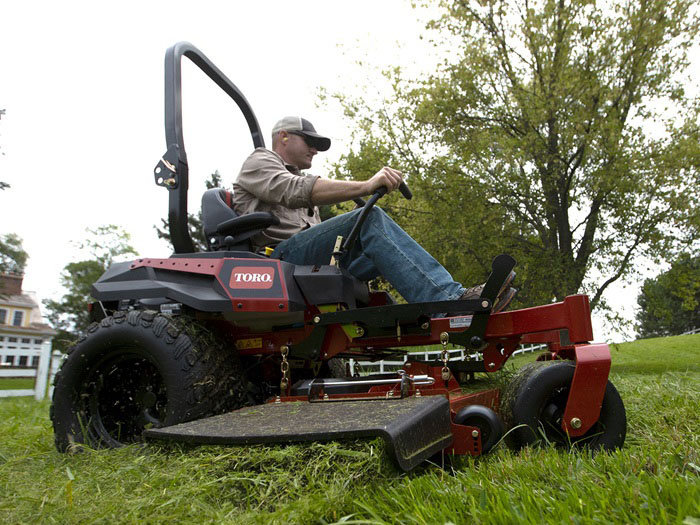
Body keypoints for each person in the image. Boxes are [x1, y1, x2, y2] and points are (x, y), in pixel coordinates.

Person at [232, 116, 515, 309]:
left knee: (375, 243)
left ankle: (413, 318)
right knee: (371, 220)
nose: (315, 150)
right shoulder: (260, 161)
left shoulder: (299, 177)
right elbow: (293, 190)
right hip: (279, 261)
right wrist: (366, 186)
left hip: (307, 263)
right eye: (309, 142)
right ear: (283, 137)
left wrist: (360, 198)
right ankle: (450, 301)